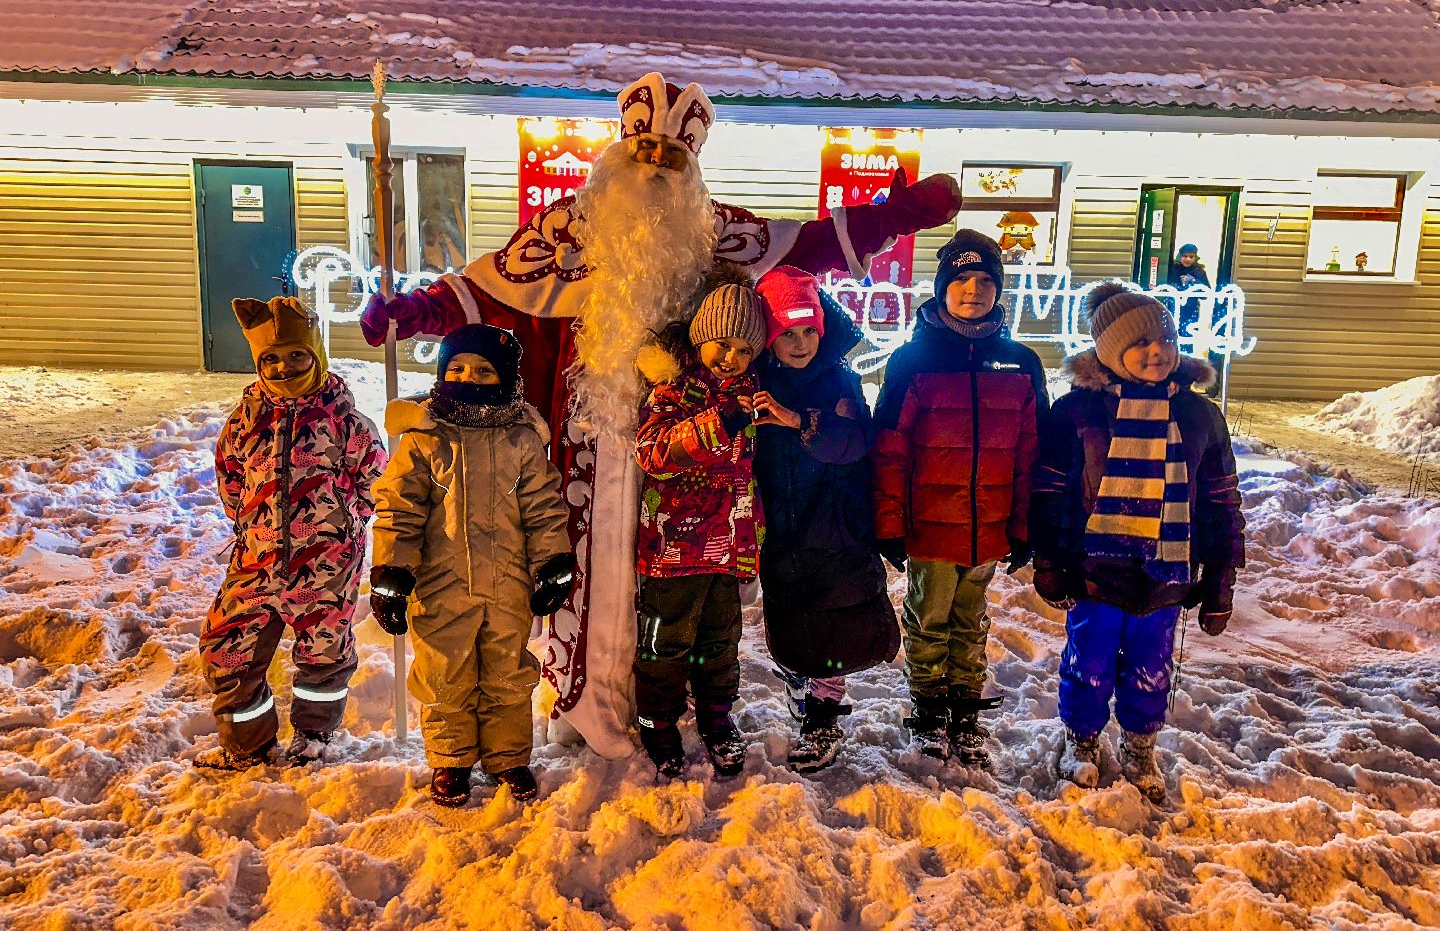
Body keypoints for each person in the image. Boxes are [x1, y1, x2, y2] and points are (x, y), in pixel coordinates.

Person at [358, 71, 962, 759]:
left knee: (681, 602)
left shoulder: (711, 231)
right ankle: (585, 704)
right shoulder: (565, 229)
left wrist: (902, 214)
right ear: (618, 155)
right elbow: (484, 293)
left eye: (671, 157)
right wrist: (412, 313)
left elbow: (811, 246)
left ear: (692, 169)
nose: (654, 167)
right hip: (588, 444)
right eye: (643, 152)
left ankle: (666, 709)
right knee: (585, 582)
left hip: (694, 452)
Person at [1030, 281, 1245, 803]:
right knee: (1090, 659)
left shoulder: (1198, 416)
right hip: (1095, 569)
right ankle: (1080, 740)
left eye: (1164, 339)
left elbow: (1220, 499)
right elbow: (1049, 491)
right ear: (1109, 352)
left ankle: (1140, 744)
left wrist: (1220, 578)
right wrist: (1051, 561)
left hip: (1166, 572)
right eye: (1139, 342)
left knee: (1152, 665)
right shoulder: (1077, 413)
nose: (1156, 352)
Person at [367, 325, 575, 807]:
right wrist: (393, 575)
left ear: (505, 378)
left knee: (508, 672)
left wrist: (553, 562)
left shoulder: (521, 439)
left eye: (483, 370)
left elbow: (544, 506)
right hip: (442, 586)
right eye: (457, 367)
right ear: (441, 373)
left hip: (508, 585)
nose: (469, 376)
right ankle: (451, 758)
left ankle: (508, 756)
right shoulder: (424, 439)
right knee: (445, 673)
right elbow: (400, 509)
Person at [871, 230, 1047, 765]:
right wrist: (888, 523)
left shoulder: (1020, 362)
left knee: (972, 622)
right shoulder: (912, 361)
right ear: (943, 287)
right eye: (962, 280)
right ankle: (927, 709)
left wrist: (1024, 527)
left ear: (999, 290)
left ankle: (965, 708)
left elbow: (1031, 454)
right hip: (929, 526)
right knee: (928, 619)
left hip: (988, 526)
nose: (973, 290)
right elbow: (890, 449)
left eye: (985, 281)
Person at [197, 297, 386, 770]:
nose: (284, 367)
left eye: (297, 355)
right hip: (256, 559)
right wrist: (251, 524)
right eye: (271, 359)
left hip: (326, 562)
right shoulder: (245, 423)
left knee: (323, 654)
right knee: (227, 648)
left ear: (316, 355)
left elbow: (375, 481)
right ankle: (248, 746)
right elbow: (230, 477)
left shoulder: (345, 423)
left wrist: (342, 525)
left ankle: (314, 736)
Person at [752, 266, 898, 772]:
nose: (799, 342)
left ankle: (823, 716)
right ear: (769, 339)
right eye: (786, 333)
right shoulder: (755, 381)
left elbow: (854, 443)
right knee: (792, 622)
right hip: (784, 527)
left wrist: (798, 422)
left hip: (837, 525)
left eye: (808, 330)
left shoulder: (840, 379)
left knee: (836, 626)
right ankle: (800, 677)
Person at [630, 282, 767, 777]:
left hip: (728, 547)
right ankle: (657, 721)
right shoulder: (675, 389)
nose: (731, 357)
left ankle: (716, 717)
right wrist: (720, 420)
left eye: (745, 349)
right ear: (700, 337)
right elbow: (654, 452)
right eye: (722, 344)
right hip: (675, 548)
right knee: (665, 642)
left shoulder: (755, 393)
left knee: (721, 641)